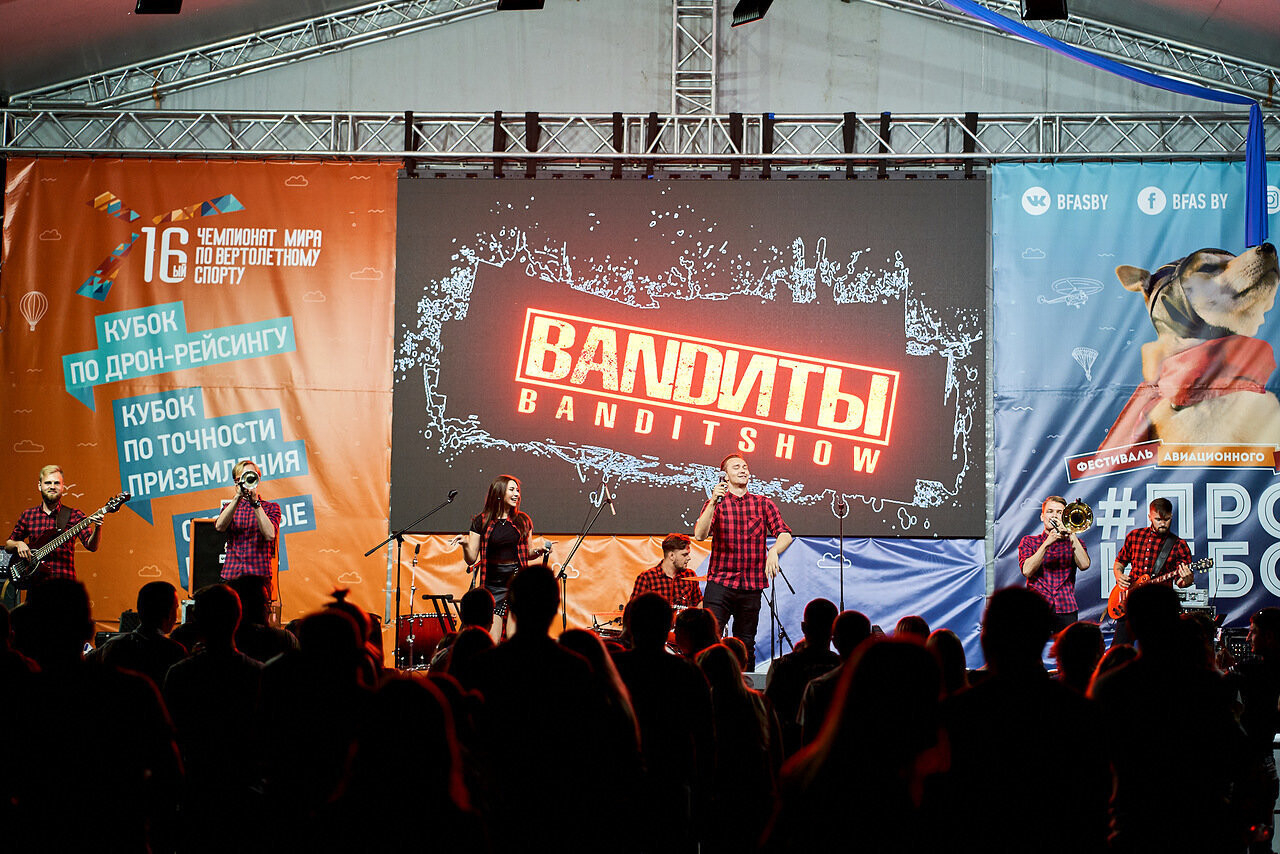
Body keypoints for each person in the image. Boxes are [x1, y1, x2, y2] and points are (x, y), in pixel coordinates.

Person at [694, 454, 793, 671]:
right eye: (736, 467)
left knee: (746, 643)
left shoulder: (763, 504)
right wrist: (713, 502)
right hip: (721, 582)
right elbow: (700, 535)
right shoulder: (716, 504)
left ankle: (746, 687)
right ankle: (707, 684)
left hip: (751, 585)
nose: (742, 470)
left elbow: (785, 534)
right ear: (725, 475)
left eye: (745, 467)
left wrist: (774, 551)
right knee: (709, 640)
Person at [456, 475, 552, 640]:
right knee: (493, 638)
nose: (517, 494)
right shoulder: (481, 521)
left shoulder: (522, 520)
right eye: (512, 490)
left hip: (516, 582)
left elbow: (528, 553)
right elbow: (471, 559)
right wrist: (465, 544)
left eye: (518, 490)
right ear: (499, 493)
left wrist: (539, 550)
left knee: (515, 637)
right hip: (492, 584)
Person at [1111, 497, 1193, 646]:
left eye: (1166, 519)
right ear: (1149, 517)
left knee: (1158, 652)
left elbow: (1181, 582)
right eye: (1158, 519)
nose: (1162, 523)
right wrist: (1119, 575)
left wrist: (1186, 580)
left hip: (1159, 607)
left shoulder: (1179, 545)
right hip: (1130, 601)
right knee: (1120, 649)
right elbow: (1120, 562)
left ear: (1171, 516)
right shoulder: (1135, 536)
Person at [5, 464, 104, 585]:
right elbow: (8, 546)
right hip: (36, 587)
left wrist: (98, 527)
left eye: (56, 483)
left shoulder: (75, 515)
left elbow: (91, 546)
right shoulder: (28, 515)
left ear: (62, 487)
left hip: (65, 586)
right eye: (48, 483)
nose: (52, 487)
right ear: (39, 486)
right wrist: (18, 544)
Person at [89, 580, 187, 687]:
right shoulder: (175, 651)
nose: (176, 617)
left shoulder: (113, 645)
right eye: (175, 608)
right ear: (168, 613)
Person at [1019, 495, 1091, 632]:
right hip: (1037, 608)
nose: (1054, 516)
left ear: (1064, 517)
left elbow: (1084, 565)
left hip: (1066, 607)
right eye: (1050, 511)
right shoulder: (1029, 541)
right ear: (1042, 517)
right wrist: (1047, 542)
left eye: (1059, 512)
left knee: (1069, 645)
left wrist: (1071, 532)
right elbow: (1027, 571)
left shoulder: (1075, 543)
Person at [214, 459, 281, 585]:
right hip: (231, 575)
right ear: (236, 481)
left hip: (258, 577)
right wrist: (237, 497)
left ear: (258, 479)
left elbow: (270, 535)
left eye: (251, 476)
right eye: (243, 477)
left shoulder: (271, 508)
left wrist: (255, 503)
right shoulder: (229, 507)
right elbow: (219, 527)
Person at [630, 532, 704, 609]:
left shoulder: (690, 575)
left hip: (682, 617)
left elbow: (698, 603)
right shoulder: (647, 577)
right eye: (684, 555)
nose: (689, 558)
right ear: (671, 556)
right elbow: (633, 609)